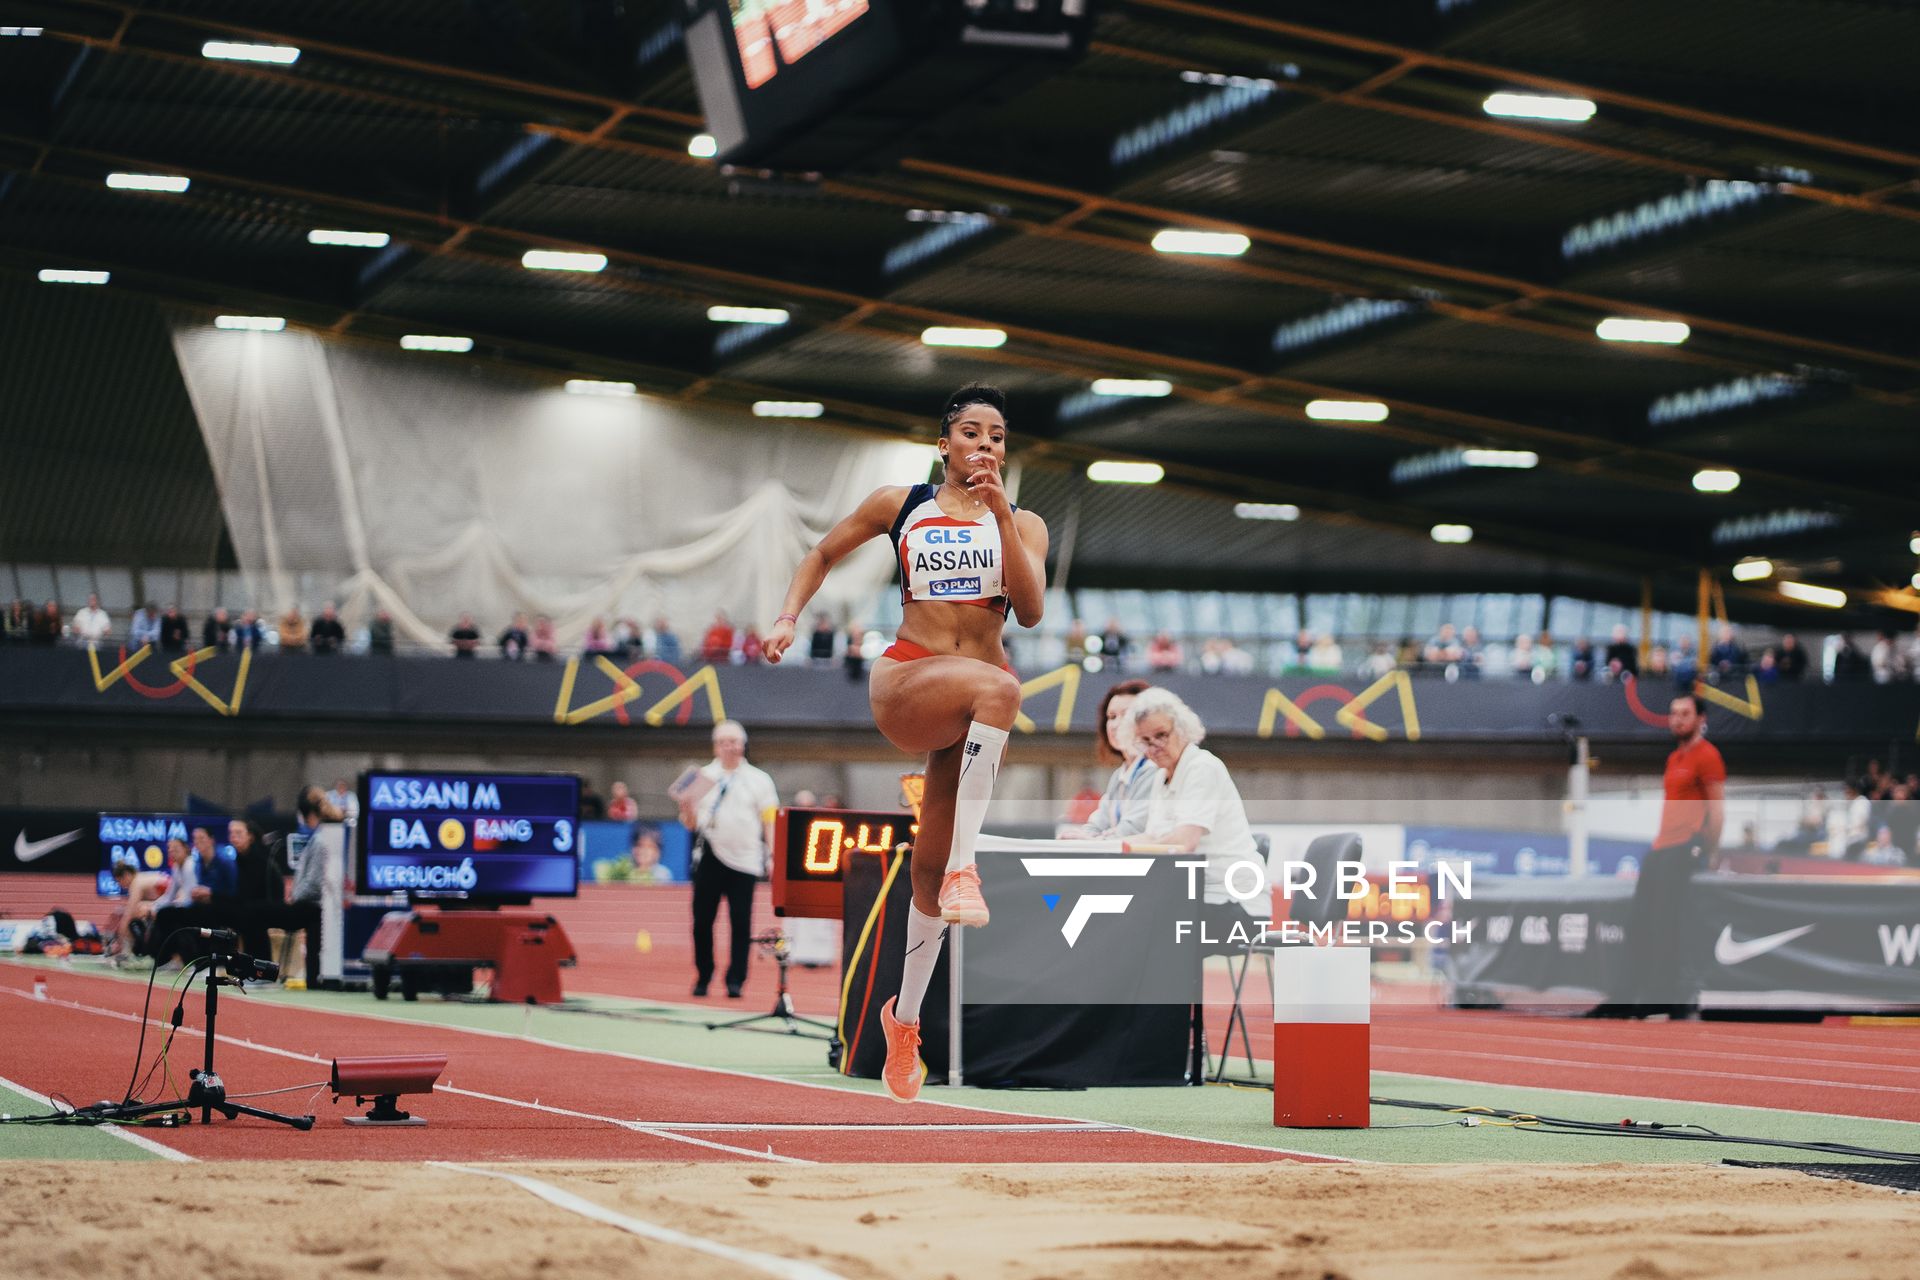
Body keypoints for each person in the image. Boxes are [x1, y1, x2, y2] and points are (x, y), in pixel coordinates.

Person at [763, 382, 1046, 1102]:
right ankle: (966, 868)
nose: (986, 445)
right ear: (944, 442)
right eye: (973, 432)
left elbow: (1033, 611)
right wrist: (789, 618)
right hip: (910, 682)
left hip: (974, 697)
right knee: (1005, 689)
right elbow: (821, 553)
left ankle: (905, 1020)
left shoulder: (1024, 522)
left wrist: (1003, 516)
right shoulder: (903, 504)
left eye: (998, 437)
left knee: (923, 872)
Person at [1598, 694, 1725, 1018]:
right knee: (1640, 924)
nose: (1677, 719)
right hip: (1661, 848)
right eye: (1672, 714)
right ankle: (1623, 999)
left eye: (1685, 714)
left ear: (1701, 719)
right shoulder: (1673, 759)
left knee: (1665, 926)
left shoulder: (1707, 756)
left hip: (1685, 847)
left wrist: (1708, 852)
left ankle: (1658, 1001)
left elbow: (1717, 810)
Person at [678, 721, 780, 999]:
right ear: (715, 746)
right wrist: (686, 808)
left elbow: (769, 820)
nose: (729, 747)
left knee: (740, 922)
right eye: (724, 742)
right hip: (710, 855)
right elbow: (690, 824)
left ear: (743, 745)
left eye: (734, 741)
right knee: (702, 921)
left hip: (746, 858)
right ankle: (704, 974)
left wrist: (772, 855)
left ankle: (736, 980)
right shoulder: (701, 776)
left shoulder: (759, 779)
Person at [1073, 680, 1153, 838]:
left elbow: (1134, 829)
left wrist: (1090, 841)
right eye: (1112, 716)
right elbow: (1097, 824)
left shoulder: (1156, 769)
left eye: (1126, 714)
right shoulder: (1119, 776)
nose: (1116, 724)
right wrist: (1079, 839)